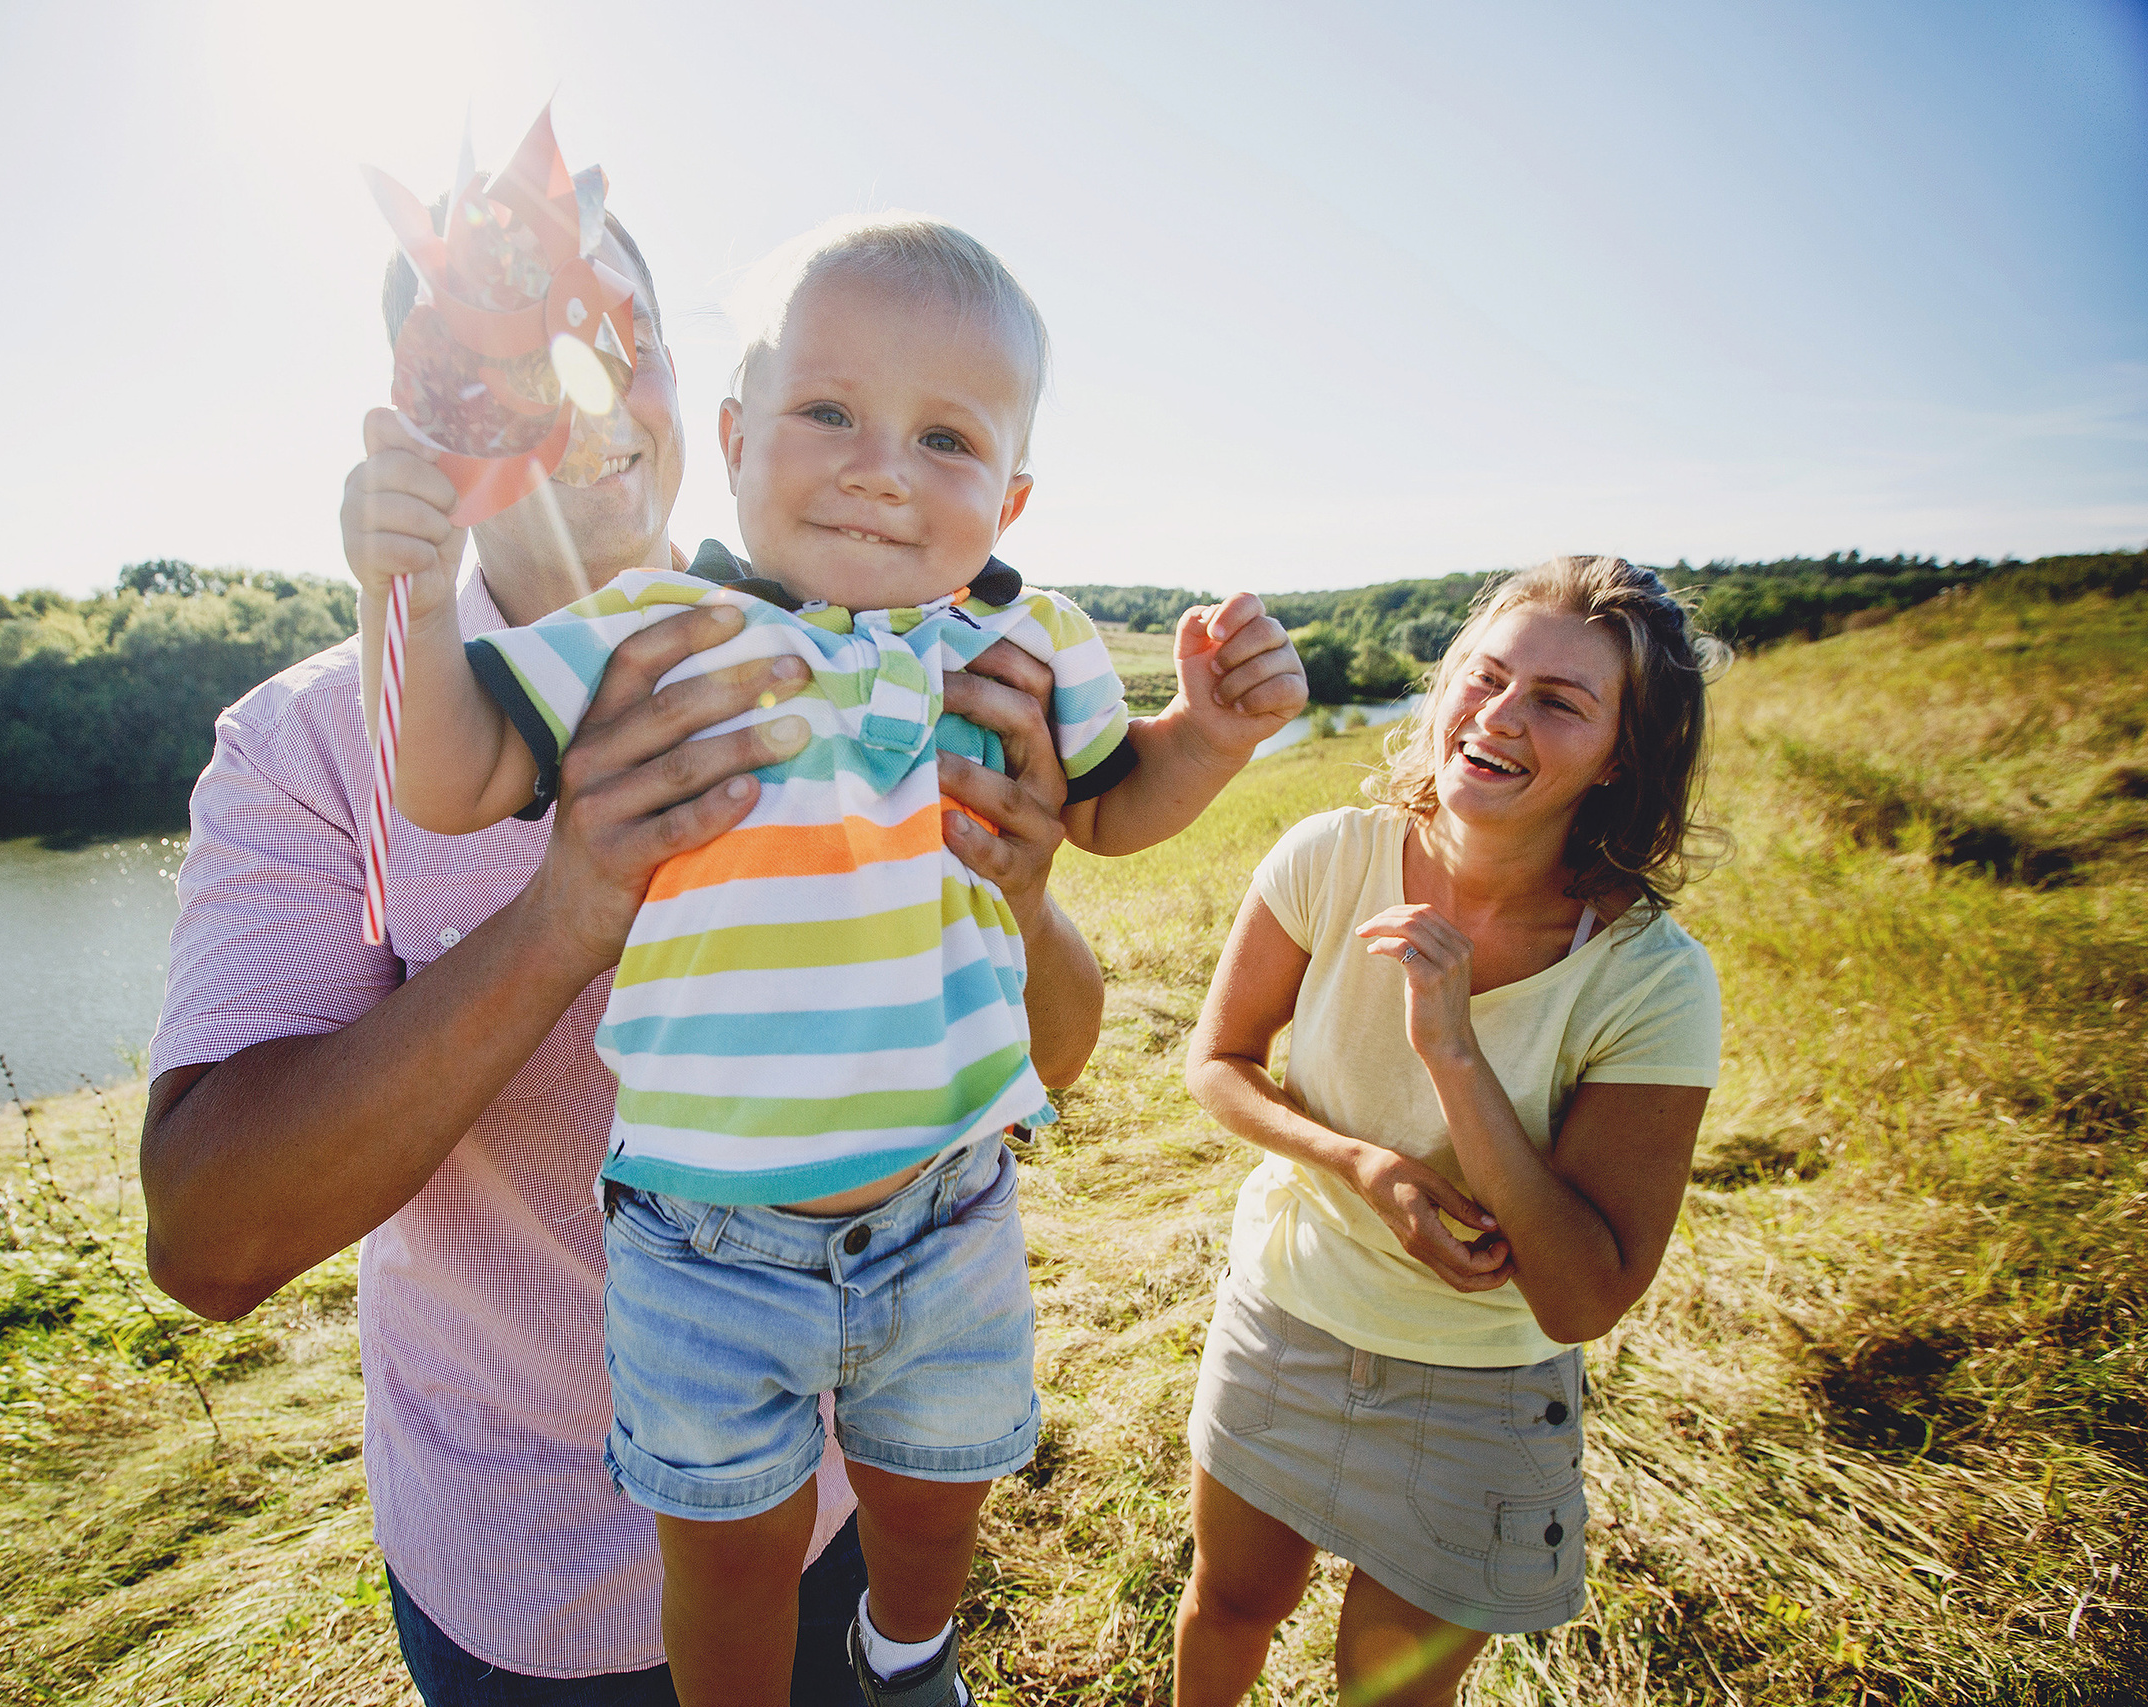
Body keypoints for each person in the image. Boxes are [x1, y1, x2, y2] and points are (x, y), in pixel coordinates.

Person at [139, 213, 1115, 1705]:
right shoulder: (312, 745)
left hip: (855, 1478)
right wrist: (565, 903)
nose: (580, 394)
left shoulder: (886, 642)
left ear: (690, 386)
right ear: (430, 404)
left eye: (620, 340)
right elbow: (209, 1242)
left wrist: (1021, 887)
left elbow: (1051, 1050)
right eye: (500, 358)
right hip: (544, 1586)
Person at [349, 216, 1309, 1707]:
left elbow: (1117, 808)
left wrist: (1214, 733)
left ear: (1012, 493)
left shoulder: (1016, 637)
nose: (881, 467)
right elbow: (452, 769)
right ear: (735, 438)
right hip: (703, 1229)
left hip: (947, 1198)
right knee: (729, 1539)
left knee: (938, 1486)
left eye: (946, 438)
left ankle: (902, 1656)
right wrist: (396, 590)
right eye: (830, 414)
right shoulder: (659, 630)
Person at [1169, 557, 1729, 1707]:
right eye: (1484, 676)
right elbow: (1215, 1064)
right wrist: (1358, 1163)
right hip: (1285, 1318)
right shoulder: (1330, 855)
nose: (1498, 716)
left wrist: (1453, 1051)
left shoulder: (1648, 980)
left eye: (1559, 702)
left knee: (1390, 1690)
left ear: (1621, 755)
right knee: (1227, 1608)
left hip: (1479, 1388)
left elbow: (1579, 1300)